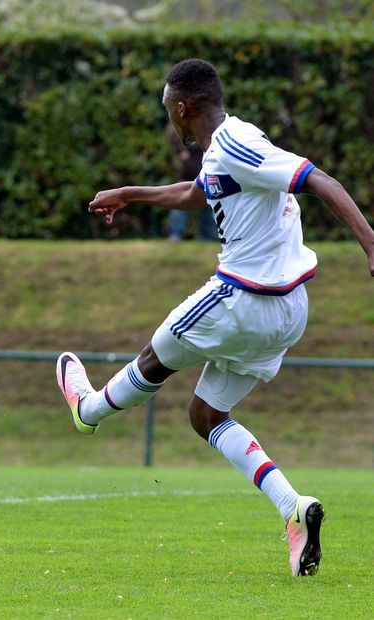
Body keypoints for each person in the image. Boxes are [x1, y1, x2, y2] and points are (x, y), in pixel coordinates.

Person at [55, 59, 374, 576]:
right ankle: (293, 510)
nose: (169, 124)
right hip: (288, 310)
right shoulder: (223, 151)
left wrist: (371, 242)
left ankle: (87, 411)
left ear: (184, 108)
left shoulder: (236, 144)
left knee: (156, 357)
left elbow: (317, 179)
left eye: (168, 112)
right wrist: (129, 194)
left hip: (243, 299)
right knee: (205, 416)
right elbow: (194, 193)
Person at [165, 127, 216, 242]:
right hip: (188, 172)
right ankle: (175, 235)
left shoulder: (214, 120)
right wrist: (181, 149)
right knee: (181, 203)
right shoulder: (185, 114)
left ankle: (205, 238)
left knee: (209, 205)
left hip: (208, 172)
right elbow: (172, 131)